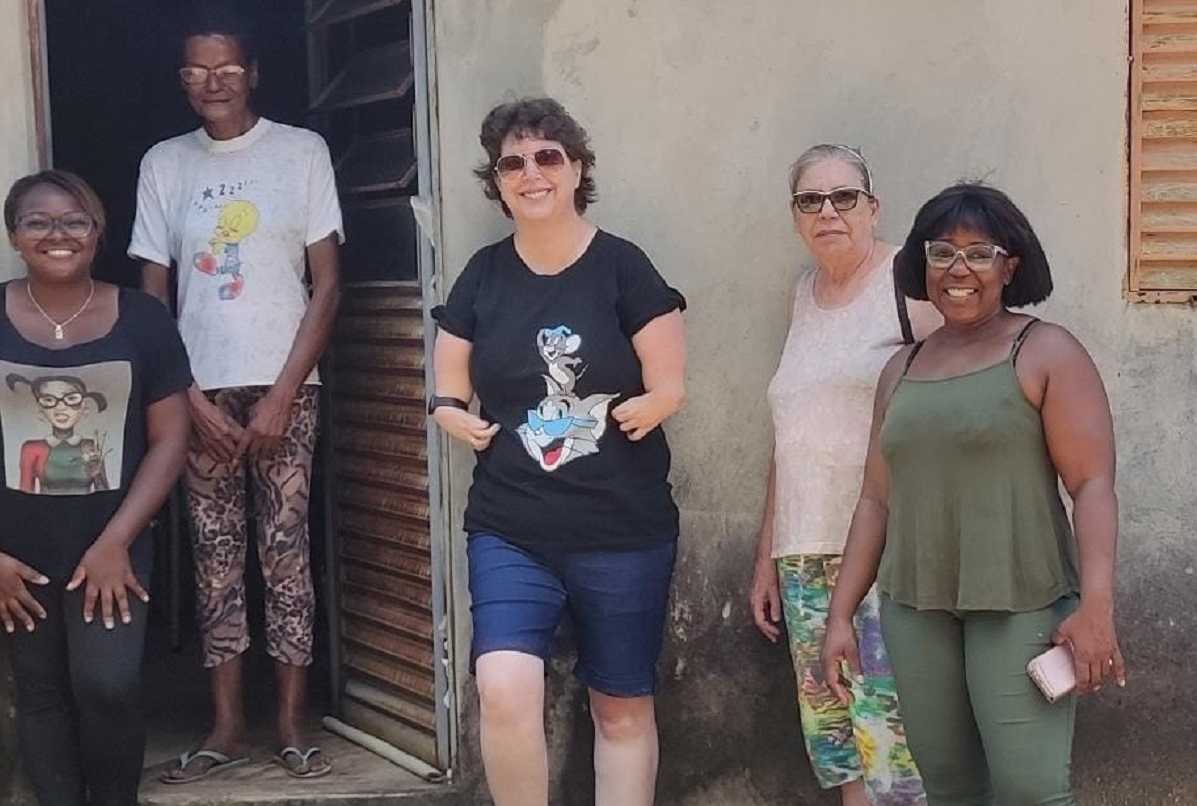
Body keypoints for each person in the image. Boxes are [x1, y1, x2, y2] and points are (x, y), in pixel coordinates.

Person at [821, 182, 1125, 804]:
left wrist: (1097, 605)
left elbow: (1092, 483)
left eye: (979, 253)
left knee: (1031, 790)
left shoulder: (1044, 351)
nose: (958, 269)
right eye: (942, 253)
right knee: (949, 789)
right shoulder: (901, 370)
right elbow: (875, 500)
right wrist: (840, 615)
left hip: (1023, 604)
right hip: (915, 609)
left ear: (1009, 267)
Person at [430, 97, 686, 806]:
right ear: (497, 182)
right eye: (511, 163)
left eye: (547, 156)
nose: (530, 173)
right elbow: (447, 382)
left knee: (620, 707)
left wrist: (658, 400)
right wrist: (449, 413)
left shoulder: (622, 266)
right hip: (512, 526)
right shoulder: (483, 274)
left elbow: (670, 379)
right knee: (503, 686)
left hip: (622, 527)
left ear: (576, 169)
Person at [128, 4, 342, 783]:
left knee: (285, 555)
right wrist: (185, 396)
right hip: (197, 390)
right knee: (215, 559)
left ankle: (289, 721)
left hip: (287, 386)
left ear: (252, 73)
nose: (211, 83)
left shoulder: (300, 151)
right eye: (195, 71)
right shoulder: (165, 164)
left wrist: (285, 392)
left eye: (225, 69)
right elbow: (151, 296)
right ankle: (227, 725)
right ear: (182, 80)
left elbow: (327, 284)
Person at [749, 144, 935, 806]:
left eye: (844, 197)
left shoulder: (908, 286)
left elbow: (959, 395)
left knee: (891, 735)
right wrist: (768, 555)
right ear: (795, 216)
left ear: (872, 207)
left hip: (884, 551)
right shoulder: (802, 294)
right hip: (802, 554)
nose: (827, 211)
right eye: (810, 200)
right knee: (834, 735)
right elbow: (789, 440)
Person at [0, 169, 192, 806]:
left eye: (74, 221)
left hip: (114, 543)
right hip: (15, 555)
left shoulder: (143, 319)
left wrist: (116, 543)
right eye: (38, 222)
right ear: (14, 236)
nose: (58, 234)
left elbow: (169, 440)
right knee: (40, 692)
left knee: (108, 685)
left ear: (97, 232)